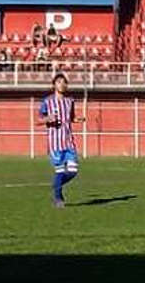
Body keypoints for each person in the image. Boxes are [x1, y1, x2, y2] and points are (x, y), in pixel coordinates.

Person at [37, 74, 85, 208]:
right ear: (54, 85)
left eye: (64, 82)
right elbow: (38, 120)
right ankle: (58, 198)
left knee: (73, 171)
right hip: (55, 143)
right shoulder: (47, 102)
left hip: (69, 141)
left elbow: (71, 118)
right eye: (59, 82)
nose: (62, 85)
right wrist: (48, 119)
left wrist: (78, 120)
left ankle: (56, 187)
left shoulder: (70, 101)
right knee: (59, 171)